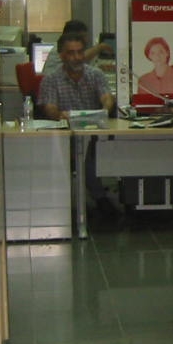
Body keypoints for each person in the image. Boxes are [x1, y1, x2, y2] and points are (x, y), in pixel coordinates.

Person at [37, 32, 117, 214]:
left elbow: (107, 97)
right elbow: (50, 109)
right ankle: (99, 200)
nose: (77, 57)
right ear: (62, 56)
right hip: (64, 136)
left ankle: (100, 199)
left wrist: (105, 108)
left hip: (94, 133)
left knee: (91, 150)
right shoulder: (51, 79)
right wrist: (62, 115)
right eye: (71, 53)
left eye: (80, 52)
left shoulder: (95, 74)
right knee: (83, 153)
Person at [41, 19, 112, 76]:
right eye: (83, 37)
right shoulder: (59, 49)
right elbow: (81, 58)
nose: (86, 40)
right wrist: (99, 47)